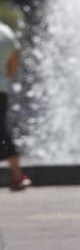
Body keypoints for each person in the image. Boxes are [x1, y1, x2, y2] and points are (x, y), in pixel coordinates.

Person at [1, 21, 31, 191]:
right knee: (2, 131)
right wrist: (5, 79)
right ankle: (17, 175)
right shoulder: (6, 32)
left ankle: (18, 176)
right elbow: (14, 59)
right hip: (1, 88)